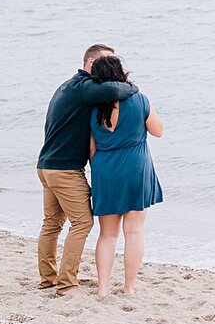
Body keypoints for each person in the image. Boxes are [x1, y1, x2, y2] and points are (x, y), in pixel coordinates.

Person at [35, 43, 126, 295]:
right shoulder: (84, 87)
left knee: (51, 224)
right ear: (90, 64)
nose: (111, 68)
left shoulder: (67, 86)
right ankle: (66, 284)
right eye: (107, 62)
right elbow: (115, 88)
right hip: (64, 170)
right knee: (83, 223)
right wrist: (132, 87)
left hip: (46, 166)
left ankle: (47, 279)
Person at [87, 52, 165, 298]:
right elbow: (158, 131)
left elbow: (91, 148)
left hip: (105, 169)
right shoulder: (139, 100)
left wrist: (100, 167)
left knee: (107, 234)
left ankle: (102, 289)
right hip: (135, 167)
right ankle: (129, 288)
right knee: (134, 232)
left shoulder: (91, 107)